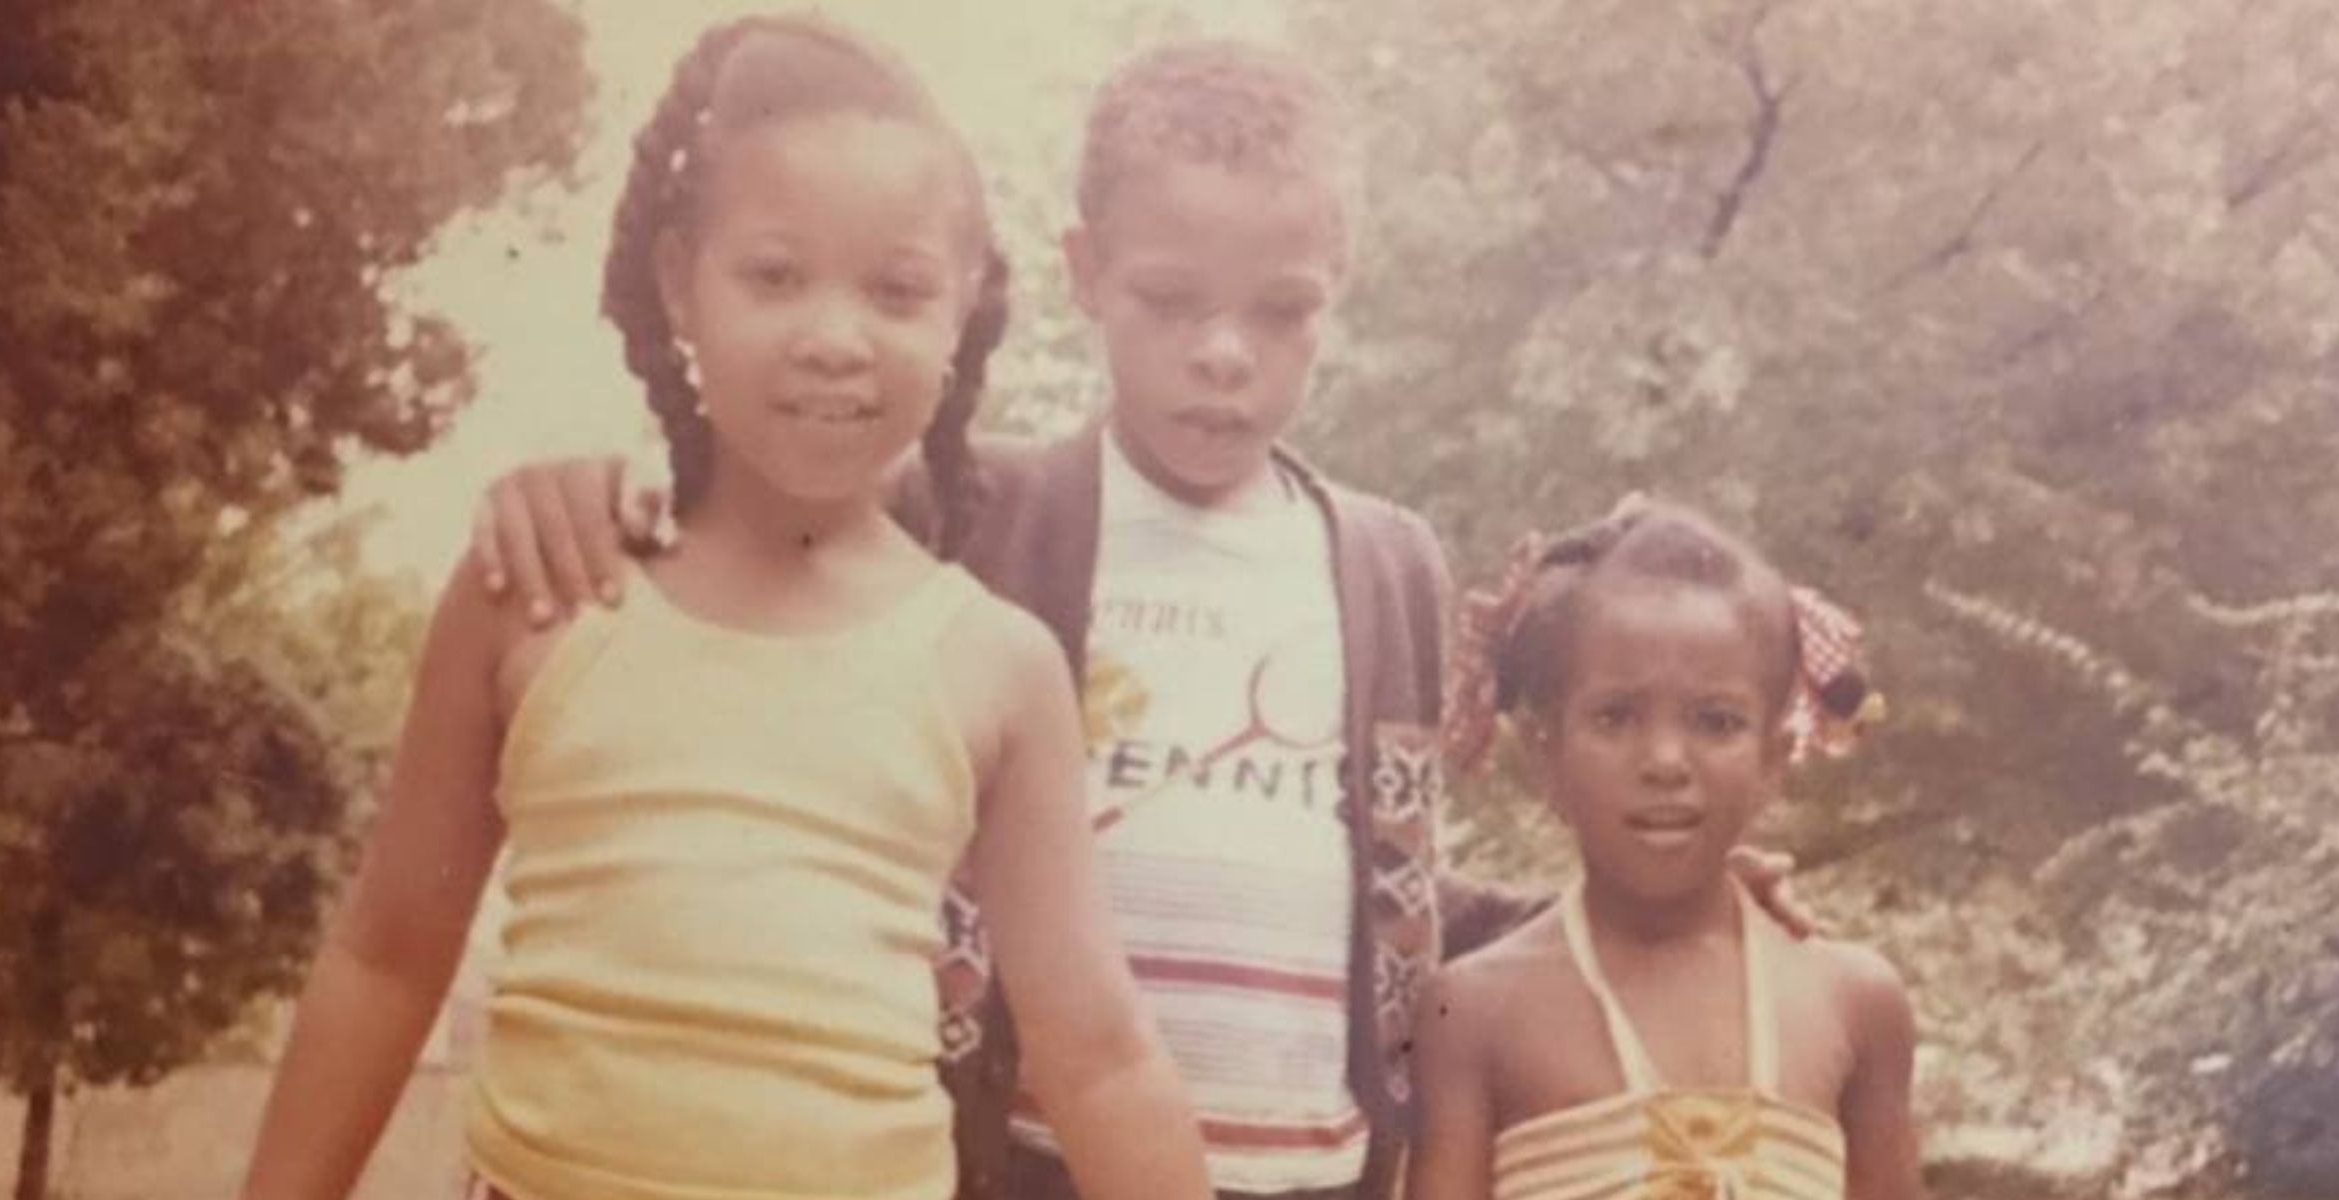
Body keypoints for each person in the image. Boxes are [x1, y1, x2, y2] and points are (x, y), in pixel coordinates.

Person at [470, 40, 1804, 1200]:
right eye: (1172, 301)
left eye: (1280, 310)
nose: (1224, 352)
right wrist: (597, 485)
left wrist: (1627, 895)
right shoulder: (976, 512)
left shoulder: (1389, 563)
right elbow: (756, 527)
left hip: (1317, 1163)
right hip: (1029, 1150)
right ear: (1086, 274)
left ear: (1335, 289)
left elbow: (1375, 883)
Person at [236, 17, 1209, 1200]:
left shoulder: (995, 664)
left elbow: (1096, 1054)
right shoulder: (542, 591)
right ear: (676, 284)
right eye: (774, 274)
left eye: (897, 289)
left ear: (961, 316)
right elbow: (388, 956)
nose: (835, 338)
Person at [1405, 498, 1920, 1200]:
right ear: (1545, 754)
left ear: (1774, 756)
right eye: (1616, 717)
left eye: (1716, 721)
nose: (1666, 761)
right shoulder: (1474, 1012)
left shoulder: (1855, 1003)